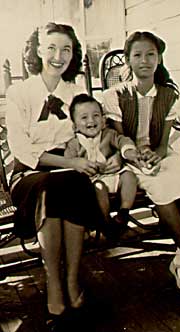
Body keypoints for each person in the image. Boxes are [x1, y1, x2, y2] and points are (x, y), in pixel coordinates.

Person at [5, 22, 102, 330]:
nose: (58, 56)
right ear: (37, 51)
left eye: (66, 50)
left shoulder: (77, 93)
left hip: (68, 171)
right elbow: (21, 149)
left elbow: (85, 135)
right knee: (53, 185)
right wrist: (69, 162)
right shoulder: (18, 91)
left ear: (73, 55)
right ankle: (54, 281)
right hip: (30, 174)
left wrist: (79, 148)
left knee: (68, 183)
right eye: (51, 48)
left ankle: (71, 279)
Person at [102, 31, 180, 295]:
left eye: (151, 54)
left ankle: (179, 261)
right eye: (137, 55)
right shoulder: (115, 95)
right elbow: (120, 137)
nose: (145, 60)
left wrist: (158, 154)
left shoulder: (167, 95)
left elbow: (164, 143)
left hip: (160, 154)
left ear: (159, 58)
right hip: (129, 159)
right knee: (162, 189)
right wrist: (136, 155)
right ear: (128, 61)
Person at [65, 93, 140, 237]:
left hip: (114, 174)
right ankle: (105, 222)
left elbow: (123, 140)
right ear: (74, 126)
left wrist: (127, 150)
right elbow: (69, 163)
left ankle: (123, 213)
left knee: (129, 176)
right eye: (84, 117)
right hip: (93, 181)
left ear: (103, 120)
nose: (91, 120)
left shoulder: (109, 134)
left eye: (96, 115)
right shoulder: (74, 144)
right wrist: (82, 168)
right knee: (99, 188)